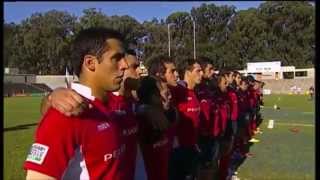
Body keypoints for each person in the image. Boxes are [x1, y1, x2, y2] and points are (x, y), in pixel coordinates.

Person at [24, 27, 129, 179]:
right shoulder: (66, 113)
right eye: (117, 58)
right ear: (90, 63)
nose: (124, 64)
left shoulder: (112, 106)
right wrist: (50, 98)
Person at [169, 58, 203, 180]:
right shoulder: (176, 91)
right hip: (179, 151)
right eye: (198, 71)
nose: (201, 74)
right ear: (188, 73)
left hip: (192, 147)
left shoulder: (194, 92)